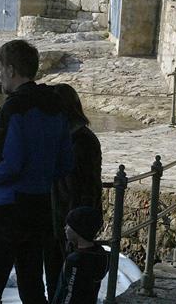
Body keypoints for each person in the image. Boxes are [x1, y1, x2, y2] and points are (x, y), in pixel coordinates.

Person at [0, 40, 74, 304]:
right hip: (39, 207)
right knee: (31, 288)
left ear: (11, 70)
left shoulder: (13, 108)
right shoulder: (56, 106)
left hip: (9, 209)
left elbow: (9, 164)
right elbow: (65, 162)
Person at [45, 83, 103, 298]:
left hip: (71, 223)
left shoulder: (81, 140)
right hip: (59, 220)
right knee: (57, 284)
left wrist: (76, 228)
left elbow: (85, 187)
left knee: (68, 285)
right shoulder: (67, 137)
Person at [51, 207, 109, 304]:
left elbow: (69, 294)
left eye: (68, 225)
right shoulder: (100, 254)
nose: (65, 228)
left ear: (78, 230)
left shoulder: (75, 261)